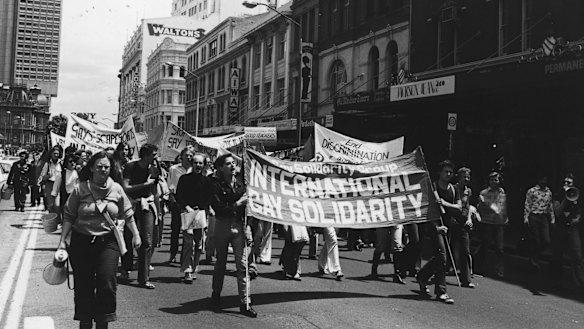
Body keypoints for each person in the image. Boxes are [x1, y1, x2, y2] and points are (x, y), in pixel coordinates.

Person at [57, 151, 141, 329]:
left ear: (111, 169)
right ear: (92, 168)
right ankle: (85, 321)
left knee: (107, 283)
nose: (103, 170)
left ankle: (103, 322)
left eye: (106, 167)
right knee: (84, 285)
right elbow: (69, 216)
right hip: (82, 242)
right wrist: (63, 240)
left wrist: (136, 234)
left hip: (107, 243)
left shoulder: (116, 188)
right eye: (99, 167)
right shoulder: (81, 189)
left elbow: (127, 213)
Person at [209, 154, 257, 317]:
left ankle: (245, 302)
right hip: (222, 225)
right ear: (221, 168)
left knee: (242, 266)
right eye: (228, 164)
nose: (232, 166)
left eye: (233, 163)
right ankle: (216, 295)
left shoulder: (240, 186)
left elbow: (248, 208)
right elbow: (219, 208)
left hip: (239, 226)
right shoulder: (215, 185)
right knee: (220, 263)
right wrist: (237, 203)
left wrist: (249, 226)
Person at [417, 160, 458, 304]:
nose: (448, 174)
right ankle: (441, 291)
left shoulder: (453, 189)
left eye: (450, 172)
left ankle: (422, 276)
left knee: (441, 258)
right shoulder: (432, 187)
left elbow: (458, 207)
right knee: (442, 256)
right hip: (435, 226)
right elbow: (426, 209)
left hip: (448, 226)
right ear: (439, 173)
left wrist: (444, 204)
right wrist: (436, 228)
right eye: (445, 171)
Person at [122, 144, 159, 289]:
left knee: (147, 241)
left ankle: (143, 278)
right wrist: (145, 184)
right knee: (128, 237)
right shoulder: (130, 167)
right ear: (146, 155)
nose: (156, 157)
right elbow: (126, 188)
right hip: (130, 205)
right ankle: (126, 268)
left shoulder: (154, 170)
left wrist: (159, 210)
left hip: (146, 205)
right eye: (154, 154)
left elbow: (154, 191)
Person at [175, 153, 213, 283]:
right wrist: (187, 207)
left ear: (203, 165)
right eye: (196, 163)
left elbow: (209, 197)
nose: (198, 165)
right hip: (187, 212)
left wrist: (203, 209)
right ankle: (187, 270)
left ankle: (195, 266)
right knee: (188, 242)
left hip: (200, 213)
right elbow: (179, 195)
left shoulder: (207, 181)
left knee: (198, 244)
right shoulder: (184, 179)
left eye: (200, 163)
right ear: (192, 164)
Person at [550, 174, 584, 286]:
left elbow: (579, 212)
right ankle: (555, 279)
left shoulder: (577, 195)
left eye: (569, 182)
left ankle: (579, 280)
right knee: (557, 255)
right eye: (565, 181)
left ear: (573, 184)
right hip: (560, 227)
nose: (566, 184)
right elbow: (557, 212)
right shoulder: (558, 195)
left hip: (571, 228)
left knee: (577, 255)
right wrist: (565, 197)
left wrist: (577, 219)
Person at [475, 172, 508, 278]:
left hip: (499, 223)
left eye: (496, 180)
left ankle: (499, 269)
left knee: (500, 248)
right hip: (487, 222)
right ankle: (477, 266)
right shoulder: (484, 193)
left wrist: (505, 216)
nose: (495, 182)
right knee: (485, 245)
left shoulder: (502, 192)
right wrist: (484, 204)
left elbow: (503, 206)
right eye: (492, 180)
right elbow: (479, 208)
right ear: (489, 181)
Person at [167, 148, 193, 263]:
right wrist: (173, 200)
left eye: (191, 155)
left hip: (190, 204)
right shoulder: (174, 169)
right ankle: (173, 254)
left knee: (188, 233)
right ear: (181, 156)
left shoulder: (195, 169)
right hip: (177, 202)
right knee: (175, 230)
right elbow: (170, 186)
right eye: (186, 155)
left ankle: (185, 258)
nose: (189, 157)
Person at [524, 173, 555, 270]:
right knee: (536, 240)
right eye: (542, 180)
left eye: (545, 180)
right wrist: (526, 218)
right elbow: (527, 204)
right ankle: (534, 259)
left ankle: (534, 255)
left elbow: (550, 206)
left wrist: (552, 218)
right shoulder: (532, 191)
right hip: (534, 216)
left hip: (544, 217)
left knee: (546, 240)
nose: (543, 182)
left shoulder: (549, 192)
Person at [452, 167, 476, 288]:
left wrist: (469, 219)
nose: (466, 179)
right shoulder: (453, 189)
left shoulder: (468, 191)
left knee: (465, 250)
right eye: (464, 177)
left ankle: (466, 279)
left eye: (468, 177)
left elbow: (468, 206)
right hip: (452, 222)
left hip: (462, 222)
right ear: (458, 177)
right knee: (448, 249)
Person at [52, 153, 80, 219]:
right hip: (65, 198)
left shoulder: (78, 173)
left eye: (74, 162)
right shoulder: (61, 174)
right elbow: (55, 188)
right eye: (70, 162)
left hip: (76, 199)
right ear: (66, 163)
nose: (73, 163)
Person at [39, 146, 63, 216]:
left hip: (58, 184)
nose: (56, 155)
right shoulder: (48, 164)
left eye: (57, 154)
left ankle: (58, 220)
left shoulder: (61, 163)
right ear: (51, 154)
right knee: (51, 205)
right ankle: (52, 220)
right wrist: (47, 176)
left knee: (57, 205)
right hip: (49, 184)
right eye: (54, 153)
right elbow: (43, 176)